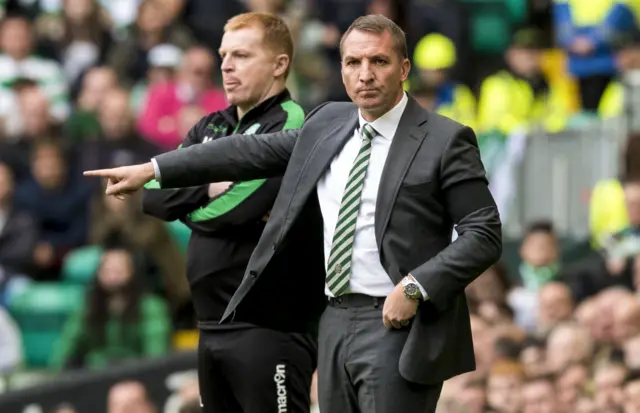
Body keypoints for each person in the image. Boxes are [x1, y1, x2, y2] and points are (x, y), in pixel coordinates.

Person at [85, 14, 502, 413]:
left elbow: (483, 232)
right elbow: (244, 152)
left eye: (379, 61)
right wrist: (154, 169)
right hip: (334, 319)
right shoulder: (328, 123)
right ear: (341, 70)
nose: (365, 74)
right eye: (353, 62)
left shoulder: (445, 139)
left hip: (397, 320)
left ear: (404, 67)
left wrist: (415, 288)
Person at [141, 11, 314, 413]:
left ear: (279, 64)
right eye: (223, 55)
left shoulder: (290, 124)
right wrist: (206, 187)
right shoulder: (209, 127)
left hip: (268, 326)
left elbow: (233, 211)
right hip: (210, 326)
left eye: (241, 55)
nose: (226, 66)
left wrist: (189, 207)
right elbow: (152, 195)